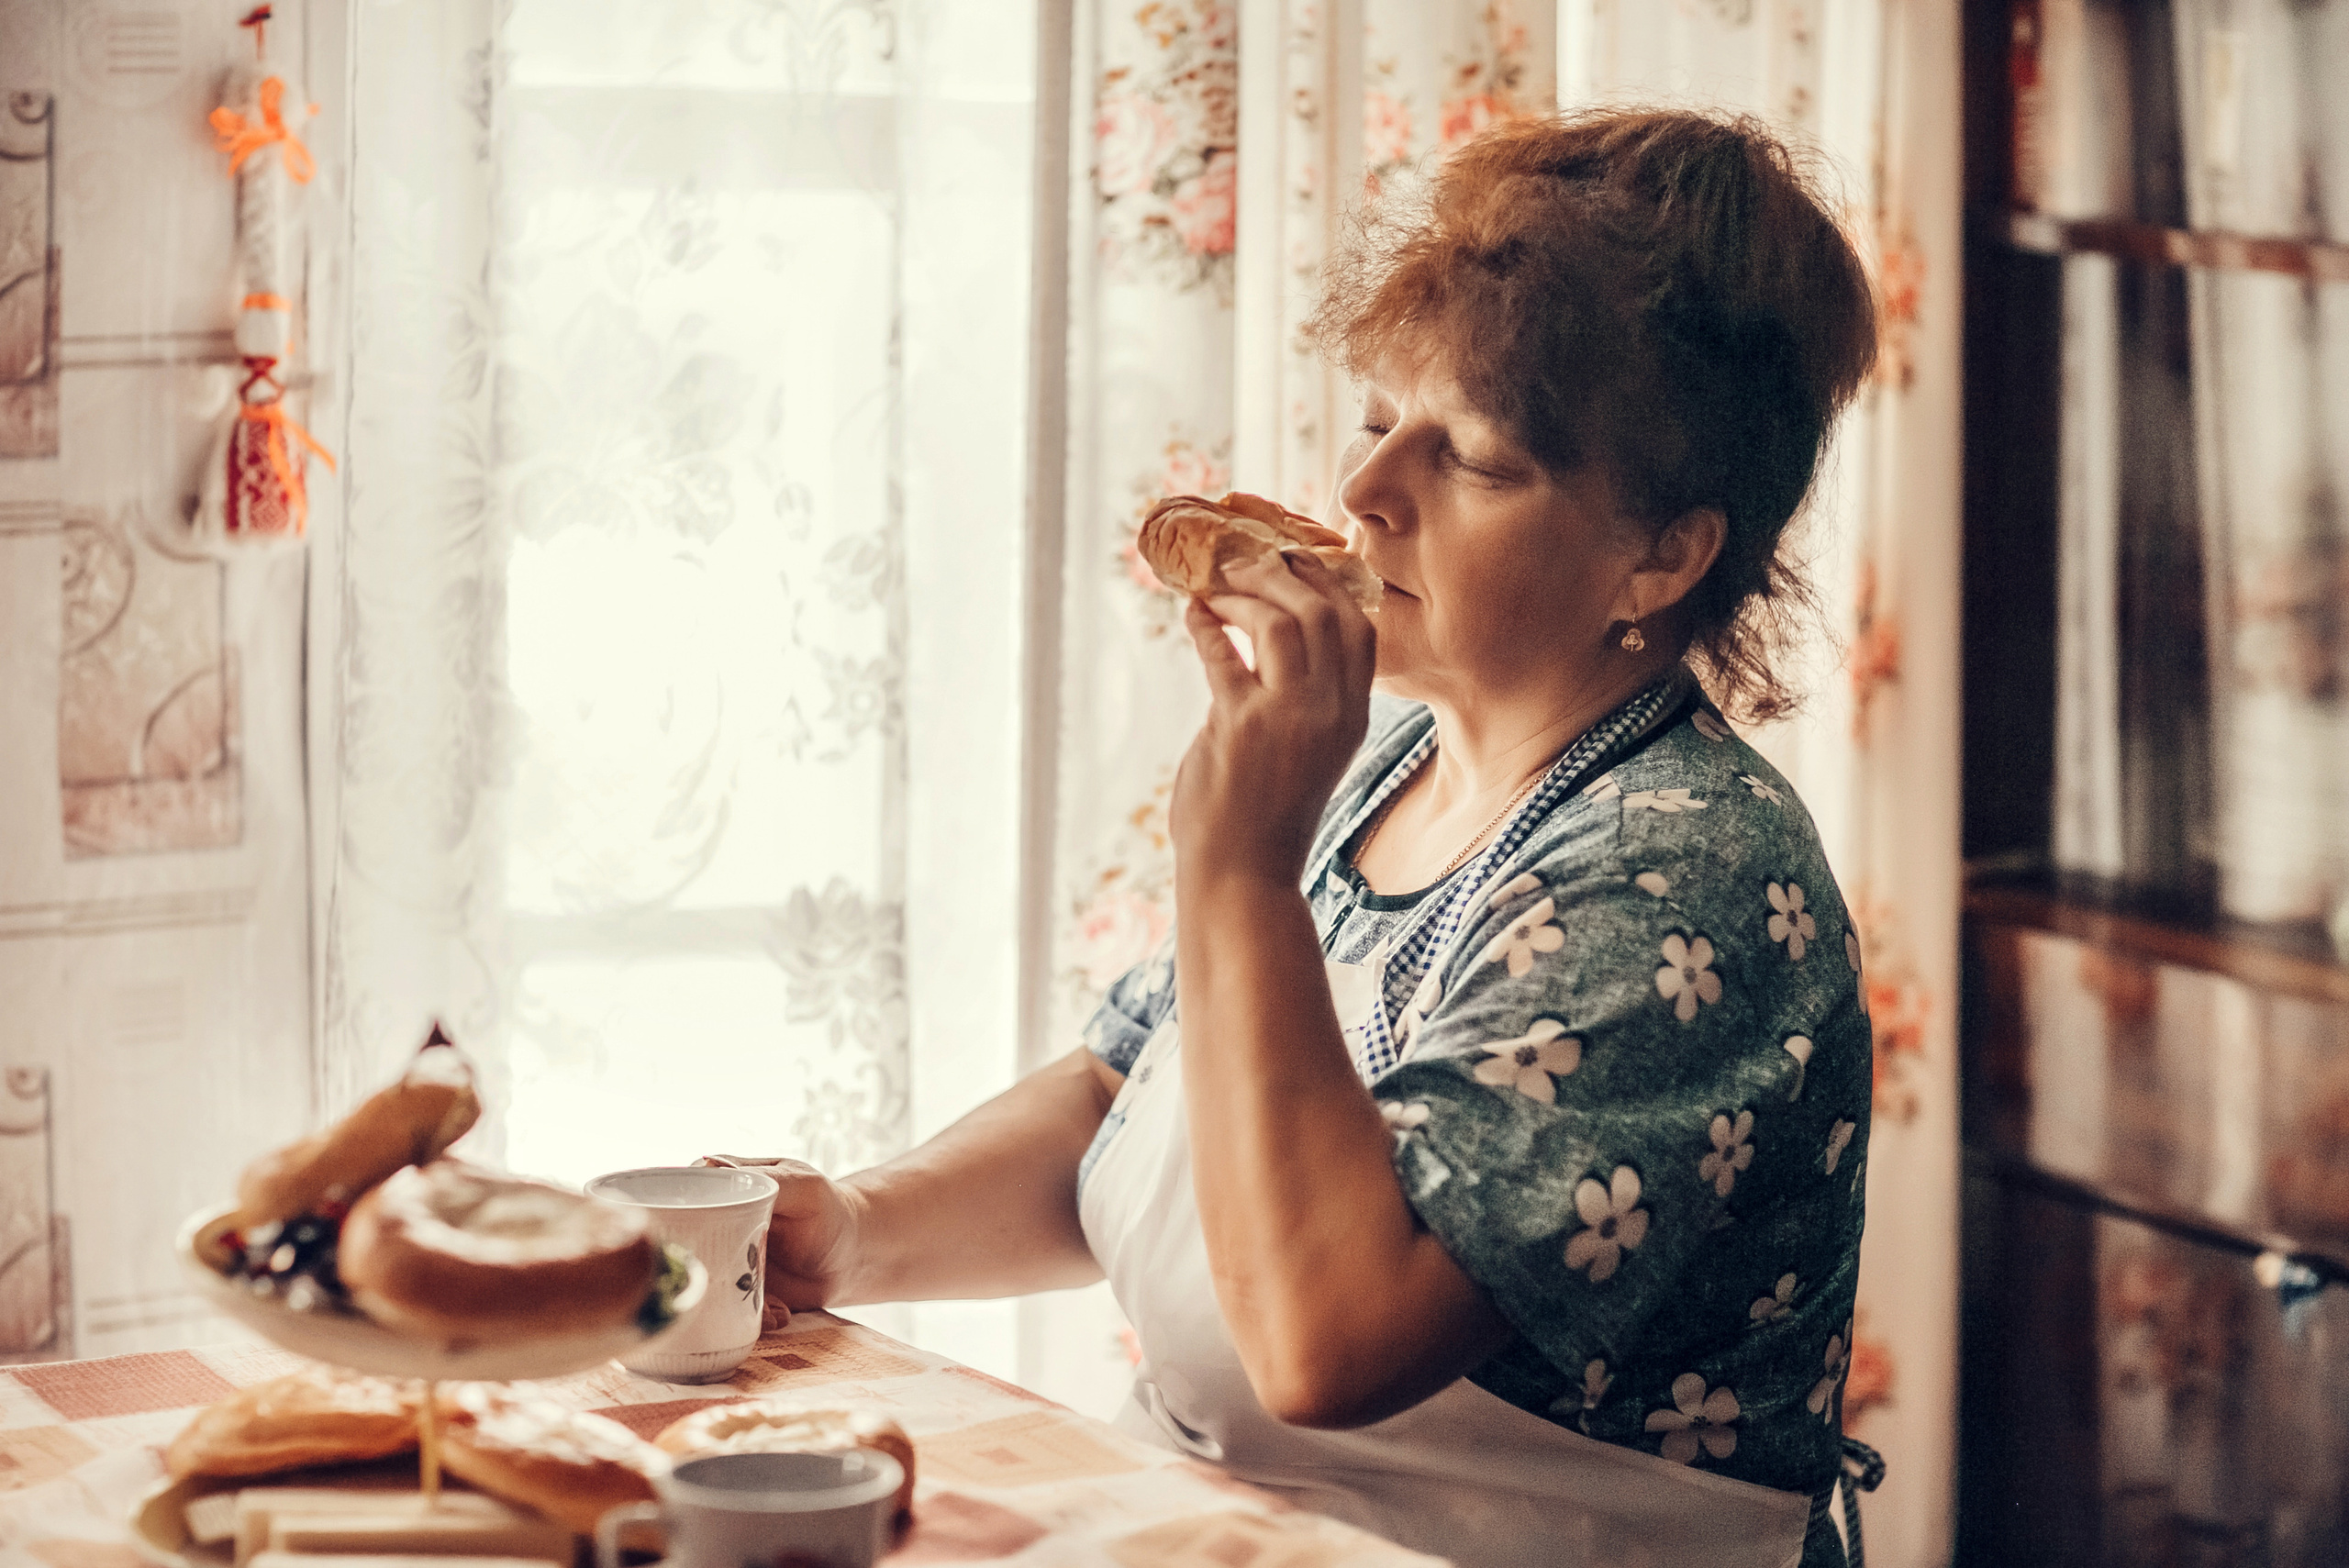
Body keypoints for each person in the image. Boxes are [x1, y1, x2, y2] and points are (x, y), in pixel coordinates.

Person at [723, 108, 1879, 1568]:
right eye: (1377, 414)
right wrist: (854, 1229)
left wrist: (1239, 871)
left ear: (1663, 552)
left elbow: (1329, 1341)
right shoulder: (1380, 762)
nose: (1364, 491)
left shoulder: (1692, 880)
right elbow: (1127, 1098)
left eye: (1469, 455)